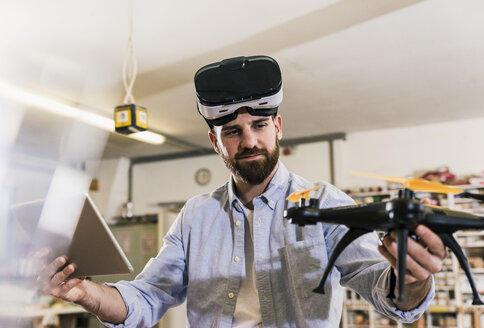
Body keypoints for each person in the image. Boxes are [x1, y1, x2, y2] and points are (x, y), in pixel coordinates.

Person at [38, 55, 447, 327]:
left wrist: (413, 279)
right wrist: (84, 292)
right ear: (216, 143)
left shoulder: (324, 205)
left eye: (260, 126)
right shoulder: (195, 216)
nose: (248, 140)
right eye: (232, 131)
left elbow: (384, 289)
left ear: (279, 129)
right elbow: (146, 298)